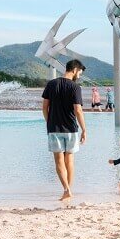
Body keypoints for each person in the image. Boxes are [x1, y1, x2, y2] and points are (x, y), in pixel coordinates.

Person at [42, 59, 87, 201]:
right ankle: (68, 190)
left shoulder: (51, 84)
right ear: (74, 70)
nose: (79, 75)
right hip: (71, 129)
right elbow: (78, 110)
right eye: (79, 72)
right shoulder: (75, 87)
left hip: (54, 128)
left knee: (59, 160)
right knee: (70, 160)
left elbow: (44, 107)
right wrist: (84, 129)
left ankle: (66, 189)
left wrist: (49, 121)